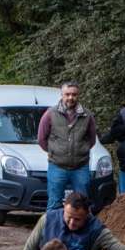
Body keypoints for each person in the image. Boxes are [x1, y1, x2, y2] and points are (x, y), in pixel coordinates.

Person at [37, 81, 97, 210]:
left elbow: (92, 140)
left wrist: (80, 151)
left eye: (74, 94)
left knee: (82, 204)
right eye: (67, 94)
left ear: (78, 95)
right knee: (54, 204)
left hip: (80, 167)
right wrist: (55, 151)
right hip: (57, 166)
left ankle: (80, 230)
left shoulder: (87, 115)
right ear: (62, 95)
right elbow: (42, 139)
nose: (71, 97)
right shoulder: (50, 114)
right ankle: (53, 229)